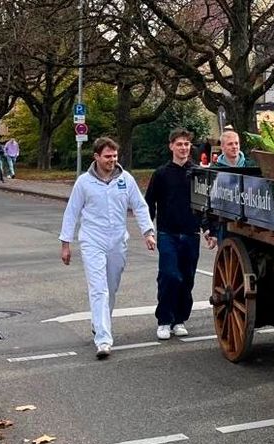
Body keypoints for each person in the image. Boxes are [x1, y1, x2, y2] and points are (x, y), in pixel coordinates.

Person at [59, 137, 156, 359]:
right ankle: (103, 339)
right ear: (96, 157)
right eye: (107, 156)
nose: (112, 160)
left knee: (111, 287)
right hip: (92, 240)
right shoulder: (84, 182)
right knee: (99, 288)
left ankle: (99, 322)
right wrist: (66, 244)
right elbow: (71, 213)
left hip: (117, 241)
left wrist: (148, 232)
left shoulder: (126, 179)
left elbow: (140, 207)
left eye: (114, 156)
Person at [145, 128, 218, 340]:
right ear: (171, 146)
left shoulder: (196, 173)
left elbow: (205, 205)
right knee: (169, 275)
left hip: (190, 233)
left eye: (187, 144)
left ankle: (180, 319)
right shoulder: (161, 174)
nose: (184, 148)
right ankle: (164, 320)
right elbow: (149, 204)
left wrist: (208, 229)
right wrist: (148, 230)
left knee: (186, 278)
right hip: (168, 233)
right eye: (179, 144)